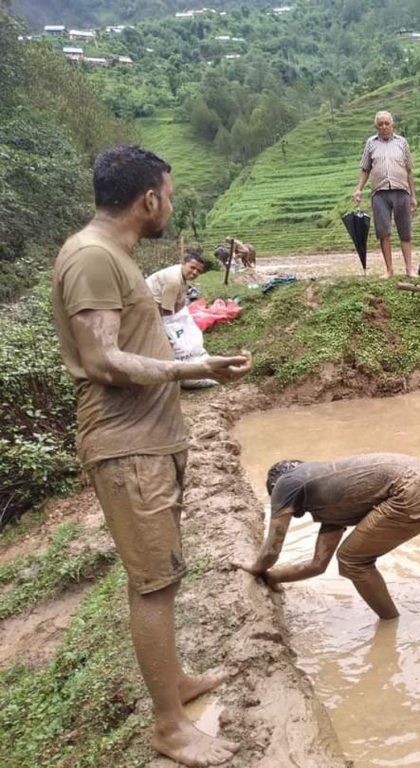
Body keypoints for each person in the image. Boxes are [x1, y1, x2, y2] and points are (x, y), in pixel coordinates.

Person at [51, 145, 253, 767]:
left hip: (149, 442)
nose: (168, 201)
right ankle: (169, 727)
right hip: (127, 446)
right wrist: (192, 367)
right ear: (149, 199)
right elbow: (102, 360)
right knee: (154, 586)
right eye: (168, 192)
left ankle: (178, 684)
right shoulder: (91, 258)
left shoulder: (112, 256)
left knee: (164, 573)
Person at [234, 453, 420, 619]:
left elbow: (271, 549)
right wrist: (272, 577)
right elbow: (318, 565)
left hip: (409, 491)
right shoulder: (330, 498)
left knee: (352, 561)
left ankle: (389, 623)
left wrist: (255, 569)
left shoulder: (285, 484)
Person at [353, 110, 417, 277]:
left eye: (386, 123)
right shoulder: (371, 144)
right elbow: (365, 169)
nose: (384, 126)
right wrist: (358, 188)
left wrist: (413, 196)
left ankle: (409, 268)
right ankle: (389, 270)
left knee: (405, 231)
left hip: (401, 191)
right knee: (383, 232)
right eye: (380, 124)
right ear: (376, 126)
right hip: (380, 193)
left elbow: (409, 170)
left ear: (392, 124)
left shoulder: (402, 143)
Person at [146, 250, 205, 315]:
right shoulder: (173, 280)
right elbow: (166, 310)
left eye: (199, 271)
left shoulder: (182, 275)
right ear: (183, 263)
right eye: (192, 267)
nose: (195, 272)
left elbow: (179, 304)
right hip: (146, 305)